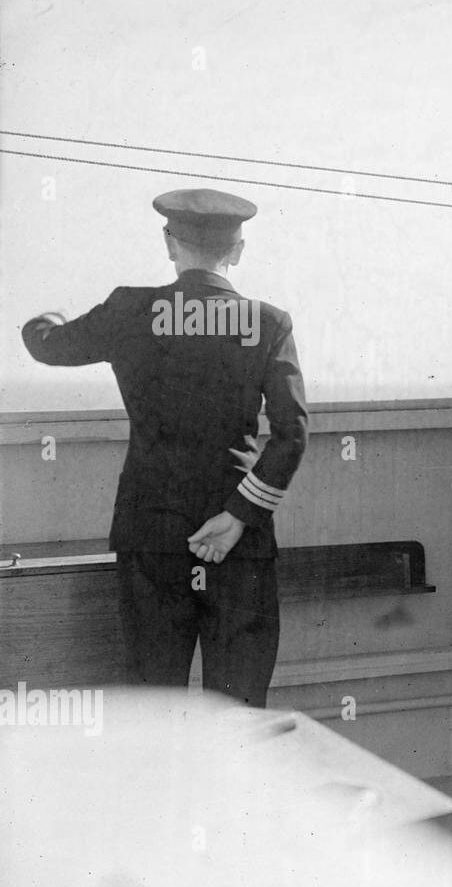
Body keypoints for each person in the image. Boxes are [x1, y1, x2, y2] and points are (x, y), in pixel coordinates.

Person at [20, 189, 308, 708]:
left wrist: (47, 319)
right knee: (239, 710)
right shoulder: (269, 322)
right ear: (237, 249)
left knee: (152, 704)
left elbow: (48, 346)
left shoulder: (128, 309)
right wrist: (240, 515)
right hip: (238, 540)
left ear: (170, 244)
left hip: (150, 531)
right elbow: (292, 433)